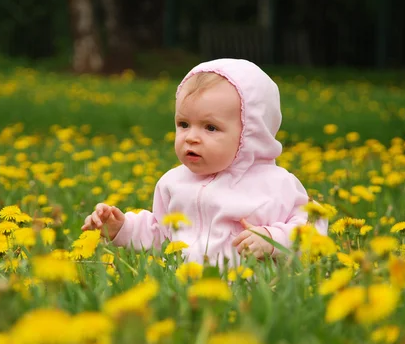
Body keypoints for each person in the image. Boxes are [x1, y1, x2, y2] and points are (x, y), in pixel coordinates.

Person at [82, 58, 328, 265]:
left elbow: (312, 231)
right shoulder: (173, 182)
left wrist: (273, 239)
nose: (191, 137)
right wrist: (122, 228)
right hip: (185, 289)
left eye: (210, 127)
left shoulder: (276, 185)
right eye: (184, 124)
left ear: (251, 133)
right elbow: (162, 234)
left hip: (251, 290)